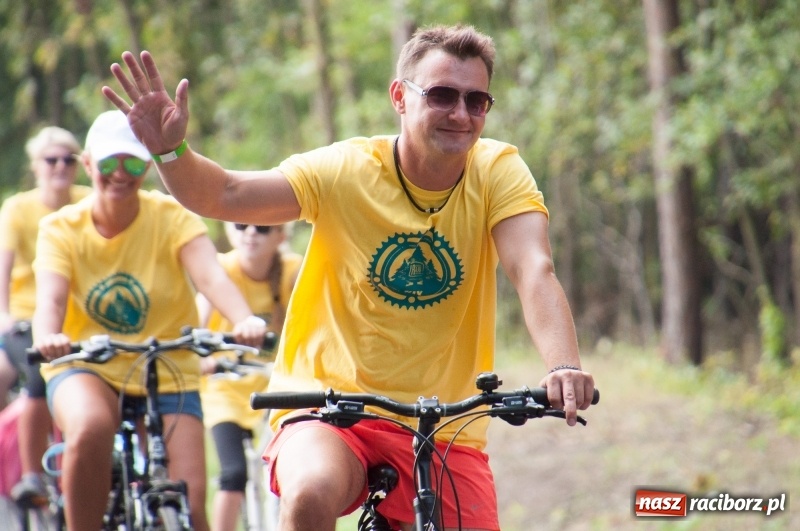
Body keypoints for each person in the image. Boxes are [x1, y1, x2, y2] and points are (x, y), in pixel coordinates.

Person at [103, 23, 596, 531]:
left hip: (444, 426)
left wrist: (562, 363)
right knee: (311, 491)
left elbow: (531, 267)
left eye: (477, 101)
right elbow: (224, 194)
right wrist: (170, 152)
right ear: (400, 98)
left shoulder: (498, 170)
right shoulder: (348, 170)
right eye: (443, 95)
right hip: (330, 408)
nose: (461, 114)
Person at [30, 110, 268, 531]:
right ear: (88, 164)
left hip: (167, 363)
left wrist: (244, 318)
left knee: (191, 501)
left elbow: (211, 275)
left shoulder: (171, 216)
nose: (121, 174)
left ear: (147, 166)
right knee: (89, 427)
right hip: (87, 364)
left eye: (134, 162)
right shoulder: (60, 228)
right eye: (108, 163)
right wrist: (49, 336)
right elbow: (50, 299)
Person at [0, 126, 91, 506]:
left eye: (68, 160)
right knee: (37, 374)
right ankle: (31, 475)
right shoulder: (18, 209)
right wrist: (3, 315)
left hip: (80, 319)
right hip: (25, 318)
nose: (60, 167)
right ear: (36, 167)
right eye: (51, 160)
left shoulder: (90, 201)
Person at [198, 221, 301, 531]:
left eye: (263, 228)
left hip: (275, 388)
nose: (251, 233)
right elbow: (197, 325)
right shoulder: (222, 269)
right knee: (233, 474)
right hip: (224, 388)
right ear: (230, 232)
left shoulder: (293, 271)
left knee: (289, 470)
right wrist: (202, 358)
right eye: (242, 225)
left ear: (281, 236)